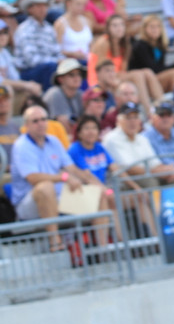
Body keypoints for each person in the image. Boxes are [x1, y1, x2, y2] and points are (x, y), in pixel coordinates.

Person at [10, 104, 111, 251]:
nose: (40, 124)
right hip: (28, 205)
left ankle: (104, 249)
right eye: (35, 121)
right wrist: (63, 177)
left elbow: (73, 169)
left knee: (99, 194)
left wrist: (98, 185)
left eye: (43, 119)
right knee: (45, 187)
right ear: (26, 125)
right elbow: (32, 178)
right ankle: (55, 242)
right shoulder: (21, 146)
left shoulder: (53, 141)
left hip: (59, 199)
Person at [129, 14, 174, 93]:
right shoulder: (140, 45)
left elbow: (160, 67)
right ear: (144, 29)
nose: (155, 29)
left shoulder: (160, 45)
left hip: (155, 78)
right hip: (144, 82)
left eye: (158, 26)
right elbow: (153, 69)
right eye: (152, 27)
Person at [43, 57, 86, 134]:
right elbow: (65, 127)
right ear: (60, 79)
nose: (77, 78)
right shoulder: (55, 94)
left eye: (79, 74)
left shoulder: (80, 94)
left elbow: (86, 121)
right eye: (72, 75)